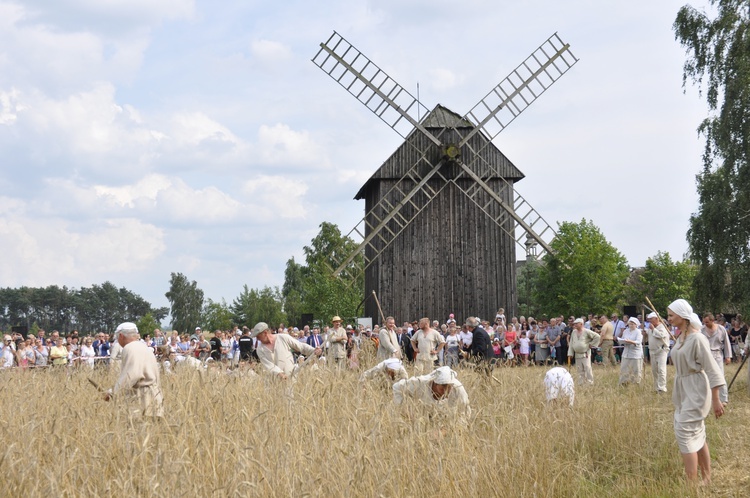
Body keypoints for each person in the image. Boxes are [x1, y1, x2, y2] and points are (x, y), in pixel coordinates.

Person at [667, 299, 724, 484]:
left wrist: (716, 399)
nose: (668, 319)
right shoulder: (681, 337)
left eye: (671, 315)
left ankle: (691, 485)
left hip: (697, 389)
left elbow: (712, 368)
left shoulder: (698, 338)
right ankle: (706, 479)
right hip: (683, 389)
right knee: (696, 433)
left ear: (683, 316)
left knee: (684, 433)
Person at [103, 322, 164, 419]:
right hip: (155, 399)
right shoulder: (145, 348)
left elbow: (132, 375)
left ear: (121, 336)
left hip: (141, 400)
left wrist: (113, 392)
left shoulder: (129, 348)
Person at [392, 365, 471, 423]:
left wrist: (446, 431)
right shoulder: (419, 383)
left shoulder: (458, 388)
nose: (446, 391)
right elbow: (397, 387)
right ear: (435, 383)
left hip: (448, 424)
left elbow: (465, 414)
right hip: (423, 421)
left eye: (449, 387)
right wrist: (403, 410)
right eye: (443, 387)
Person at [252, 322, 321, 379]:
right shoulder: (260, 349)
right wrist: (279, 373)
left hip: (290, 379)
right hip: (273, 383)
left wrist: (313, 350)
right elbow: (268, 365)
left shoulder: (283, 337)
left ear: (265, 333)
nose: (257, 339)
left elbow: (301, 346)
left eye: (258, 336)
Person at [700, 313, 732, 405]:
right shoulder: (701, 330)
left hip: (717, 354)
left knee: (720, 376)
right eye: (704, 322)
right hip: (706, 354)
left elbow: (726, 343)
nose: (705, 324)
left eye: (707, 322)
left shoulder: (721, 329)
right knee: (705, 377)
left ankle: (723, 399)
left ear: (712, 321)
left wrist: (728, 356)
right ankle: (707, 398)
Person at [567, 318, 600, 385]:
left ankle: (590, 382)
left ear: (581, 324)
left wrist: (591, 344)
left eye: (576, 324)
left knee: (587, 368)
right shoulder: (573, 332)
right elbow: (571, 343)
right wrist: (570, 353)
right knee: (579, 369)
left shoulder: (587, 331)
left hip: (585, 354)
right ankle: (581, 382)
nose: (575, 325)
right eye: (574, 324)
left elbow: (597, 336)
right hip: (577, 354)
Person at [645, 312, 671, 393]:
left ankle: (662, 388)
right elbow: (648, 337)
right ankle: (657, 387)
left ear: (656, 319)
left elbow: (661, 335)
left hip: (661, 350)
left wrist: (653, 329)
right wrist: (645, 333)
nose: (650, 321)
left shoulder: (662, 327)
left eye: (651, 319)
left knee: (661, 369)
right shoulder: (650, 328)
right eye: (649, 320)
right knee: (654, 370)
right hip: (652, 351)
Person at [617, 317, 644, 385]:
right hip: (626, 352)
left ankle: (636, 382)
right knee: (624, 368)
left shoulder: (638, 332)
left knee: (636, 369)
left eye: (632, 324)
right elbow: (623, 339)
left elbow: (638, 342)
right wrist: (622, 341)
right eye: (630, 324)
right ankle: (623, 382)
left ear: (636, 325)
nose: (631, 325)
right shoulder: (626, 331)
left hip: (635, 353)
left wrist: (631, 341)